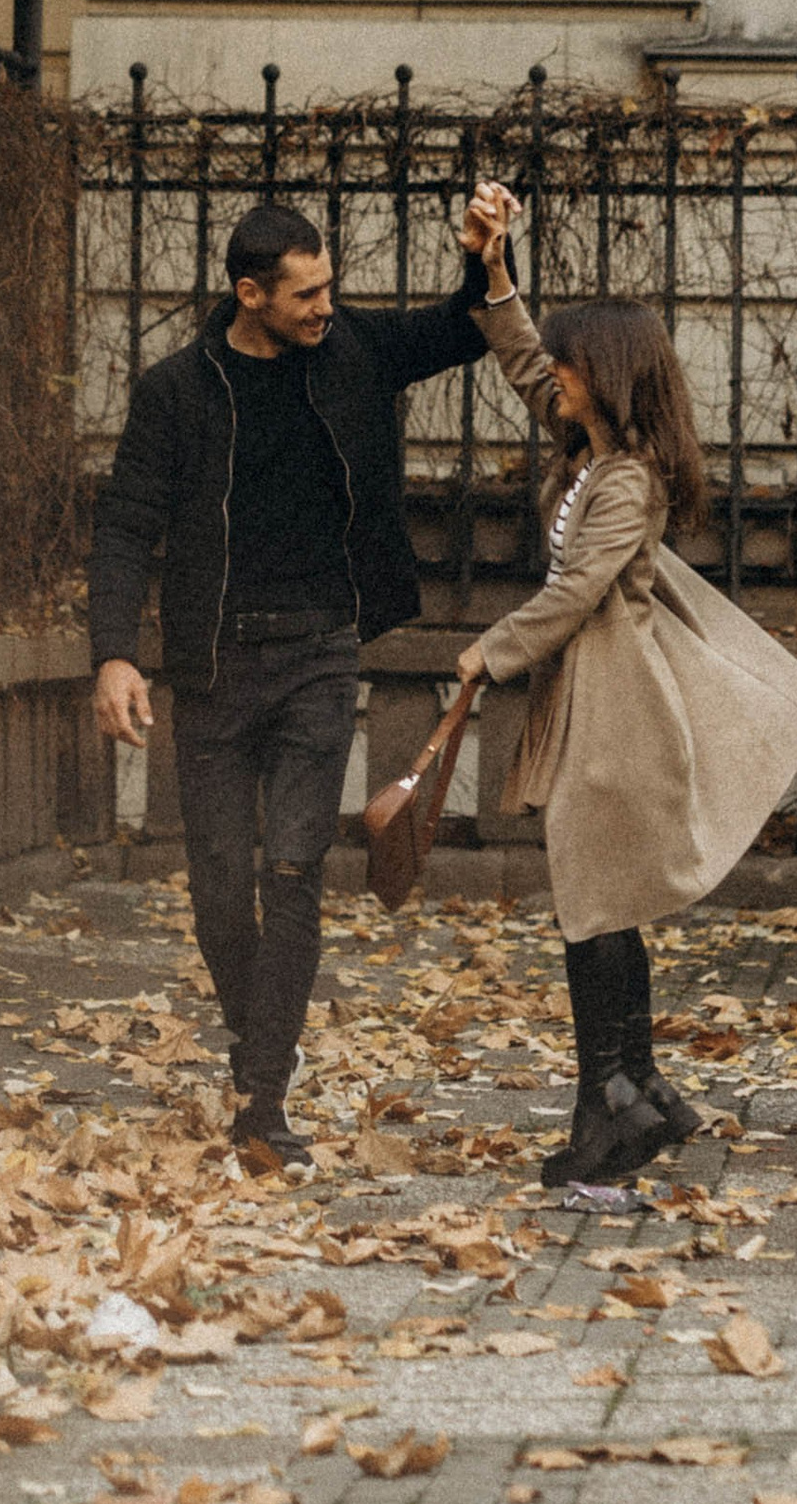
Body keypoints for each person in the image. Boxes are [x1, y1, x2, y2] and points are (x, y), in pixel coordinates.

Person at [91, 183, 516, 1172]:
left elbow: (462, 330)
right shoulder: (176, 393)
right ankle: (259, 1052)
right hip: (212, 666)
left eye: (330, 286)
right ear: (249, 294)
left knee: (291, 875)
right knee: (213, 887)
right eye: (304, 295)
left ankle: (261, 1098)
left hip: (321, 653)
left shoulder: (352, 353)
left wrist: (484, 258)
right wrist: (114, 651)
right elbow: (123, 526)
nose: (326, 307)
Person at [460, 214, 797, 1196]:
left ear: (611, 378)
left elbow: (575, 592)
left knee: (591, 901)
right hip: (597, 703)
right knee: (601, 901)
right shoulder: (594, 455)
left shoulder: (624, 482)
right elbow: (528, 367)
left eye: (576, 367)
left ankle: (610, 1105)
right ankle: (633, 1087)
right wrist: (493, 274)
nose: (558, 380)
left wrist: (484, 656)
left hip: (614, 714)